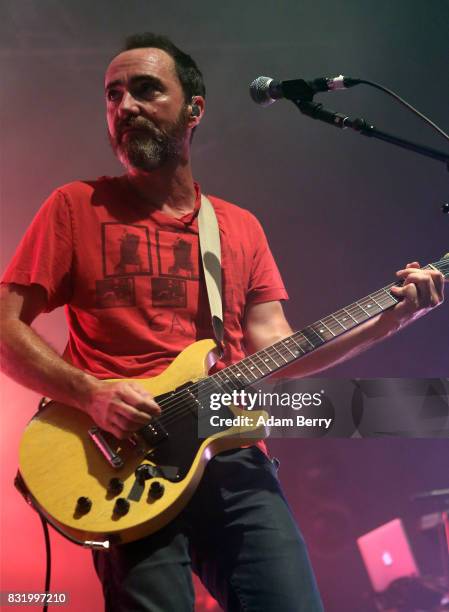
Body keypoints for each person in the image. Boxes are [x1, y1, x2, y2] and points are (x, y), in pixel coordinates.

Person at [0, 32, 444, 612]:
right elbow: (7, 328)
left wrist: (392, 318)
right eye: (113, 96)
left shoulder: (237, 227)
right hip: (125, 462)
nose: (124, 106)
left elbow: (278, 351)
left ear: (194, 108)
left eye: (145, 90)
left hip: (231, 453)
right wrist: (91, 393)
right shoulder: (74, 207)